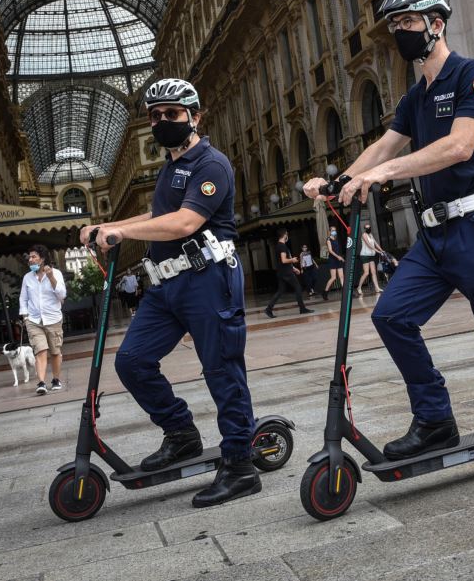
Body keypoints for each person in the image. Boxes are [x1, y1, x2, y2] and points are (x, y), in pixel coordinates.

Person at [303, 0, 474, 491]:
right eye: (394, 26)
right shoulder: (415, 96)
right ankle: (436, 421)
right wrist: (340, 181)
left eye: (407, 23)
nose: (399, 33)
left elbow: (460, 146)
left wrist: (383, 174)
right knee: (392, 316)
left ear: (435, 24)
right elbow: (384, 145)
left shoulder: (472, 75)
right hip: (436, 236)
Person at [80, 77, 261, 508]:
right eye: (155, 116)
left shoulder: (211, 164)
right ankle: (181, 433)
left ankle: (240, 467)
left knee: (221, 370)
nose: (163, 121)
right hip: (167, 285)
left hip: (208, 279)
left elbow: (183, 223)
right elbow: (160, 213)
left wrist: (120, 229)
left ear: (195, 117)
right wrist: (111, 227)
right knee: (133, 361)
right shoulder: (171, 166)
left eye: (172, 114)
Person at [18, 245, 67, 395]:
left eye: (33, 257)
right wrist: (25, 317)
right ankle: (41, 383)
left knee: (55, 352)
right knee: (40, 351)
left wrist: (51, 277)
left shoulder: (56, 273)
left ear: (43, 259)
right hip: (33, 320)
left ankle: (56, 379)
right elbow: (23, 298)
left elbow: (62, 295)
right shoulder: (27, 278)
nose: (30, 259)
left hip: (53, 319)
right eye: (29, 257)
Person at [264, 228, 314, 318]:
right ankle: (302, 309)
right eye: (287, 234)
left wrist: (294, 268)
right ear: (284, 235)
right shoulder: (282, 246)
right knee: (298, 287)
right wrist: (293, 260)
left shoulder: (279, 245)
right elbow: (283, 260)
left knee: (280, 290)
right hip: (286, 272)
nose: (287, 236)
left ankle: (268, 309)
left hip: (282, 271)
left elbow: (281, 261)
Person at [357, 223, 383, 294]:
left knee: (374, 272)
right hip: (365, 256)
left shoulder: (371, 235)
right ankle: (359, 287)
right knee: (366, 273)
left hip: (371, 255)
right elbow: (368, 245)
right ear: (365, 229)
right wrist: (378, 251)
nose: (368, 229)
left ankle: (377, 288)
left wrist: (381, 250)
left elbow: (375, 243)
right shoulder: (364, 235)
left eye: (369, 227)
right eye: (367, 228)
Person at [322, 225, 345, 299]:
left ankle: (345, 292)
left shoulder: (336, 239)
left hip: (338, 259)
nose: (334, 232)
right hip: (332, 259)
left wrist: (340, 257)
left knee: (341, 276)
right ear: (329, 232)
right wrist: (338, 257)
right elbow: (330, 251)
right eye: (332, 230)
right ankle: (325, 292)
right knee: (333, 278)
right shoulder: (328, 240)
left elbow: (337, 250)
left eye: (335, 230)